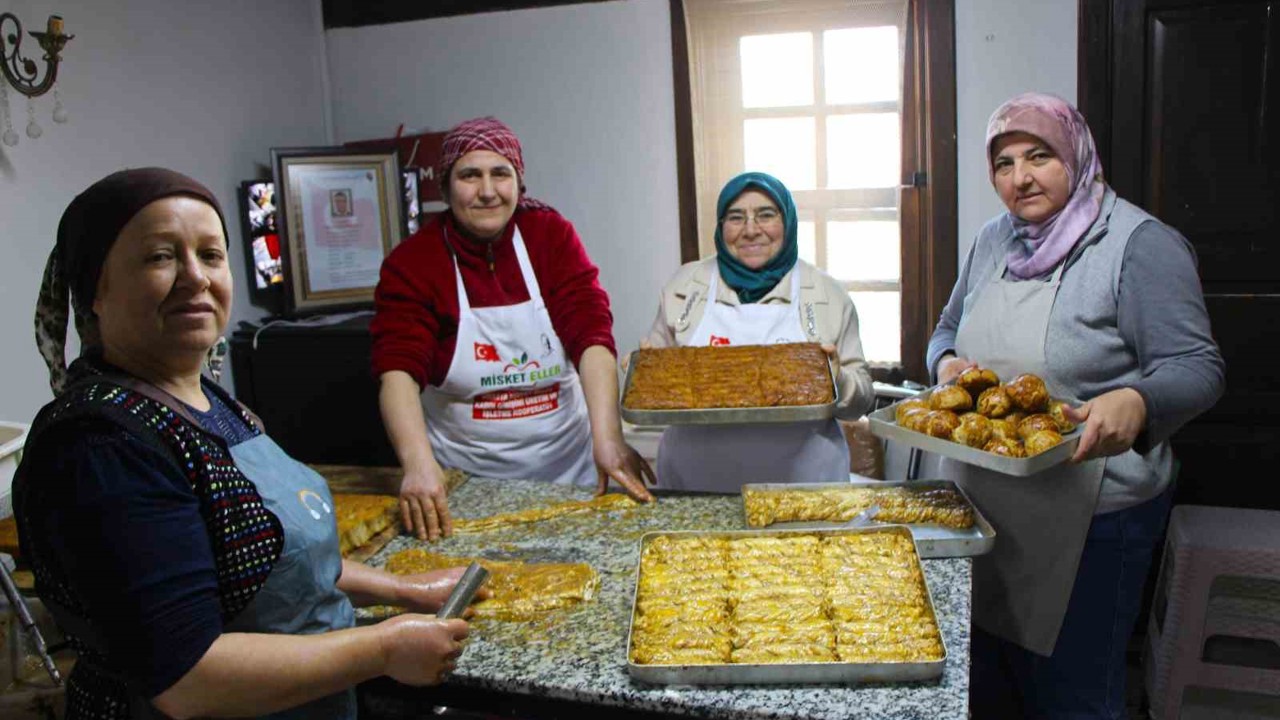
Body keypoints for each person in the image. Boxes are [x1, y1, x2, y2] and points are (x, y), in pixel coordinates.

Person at [17, 168, 482, 719]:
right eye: (160, 257)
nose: (195, 278)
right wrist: (381, 648)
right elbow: (186, 678)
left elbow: (276, 563)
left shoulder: (213, 404)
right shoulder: (100, 447)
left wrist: (400, 589)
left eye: (210, 255)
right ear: (96, 287)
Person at [927, 93, 1224, 718]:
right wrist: (946, 362)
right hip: (984, 507)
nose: (1020, 177)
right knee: (994, 686)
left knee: (1074, 697)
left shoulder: (1139, 245)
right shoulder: (992, 241)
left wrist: (1139, 399)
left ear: (1078, 155)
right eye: (1003, 164)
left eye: (1039, 156)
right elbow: (945, 328)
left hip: (1092, 520)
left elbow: (1199, 368)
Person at [372, 117, 654, 542]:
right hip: (465, 484)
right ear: (445, 188)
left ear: (518, 184)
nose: (487, 191)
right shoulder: (414, 262)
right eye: (470, 175)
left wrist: (609, 438)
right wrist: (417, 464)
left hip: (571, 471)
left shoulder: (549, 237)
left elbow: (592, 339)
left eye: (500, 174)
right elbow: (397, 371)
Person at [639, 171, 875, 491]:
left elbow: (861, 399)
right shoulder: (683, 288)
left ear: (788, 221)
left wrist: (839, 380)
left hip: (804, 486)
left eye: (766, 215)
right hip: (696, 484)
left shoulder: (828, 295)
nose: (751, 230)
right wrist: (644, 376)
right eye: (736, 217)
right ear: (721, 227)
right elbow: (653, 387)